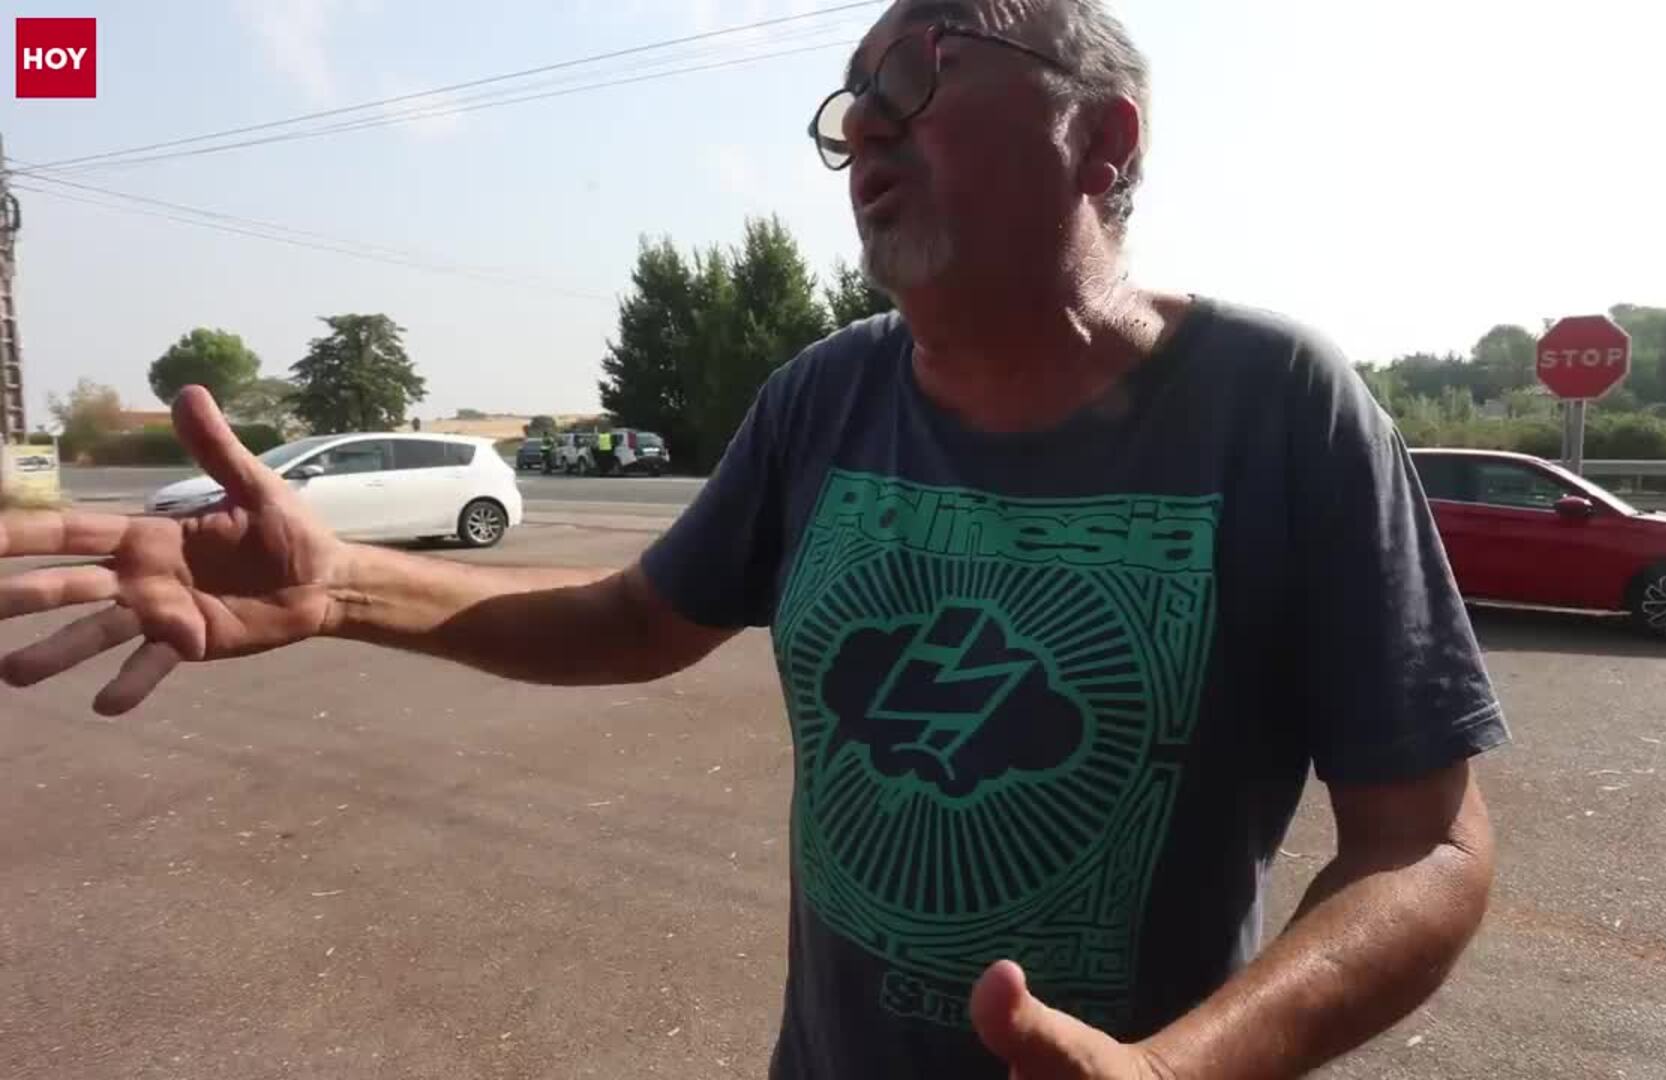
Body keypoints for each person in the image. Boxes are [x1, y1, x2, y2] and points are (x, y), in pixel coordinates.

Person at [0, 1, 1509, 1076]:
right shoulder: (824, 396)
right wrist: (342, 587)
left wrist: (1181, 1070)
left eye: (918, 70)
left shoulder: (1281, 408)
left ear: (1101, 136)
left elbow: (1427, 846)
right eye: (847, 107)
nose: (865, 128)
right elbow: (639, 616)